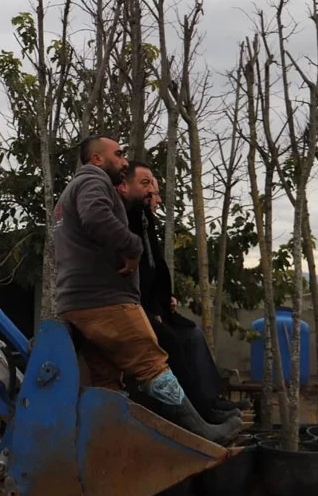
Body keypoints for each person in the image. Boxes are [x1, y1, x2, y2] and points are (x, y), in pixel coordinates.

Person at [53, 135, 241, 444]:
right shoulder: (92, 180)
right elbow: (96, 218)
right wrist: (133, 247)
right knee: (152, 362)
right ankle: (203, 434)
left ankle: (108, 447)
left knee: (107, 382)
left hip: (78, 304)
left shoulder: (69, 193)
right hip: (105, 301)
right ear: (97, 159)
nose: (124, 161)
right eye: (118, 154)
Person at [117, 162, 248, 425]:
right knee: (173, 342)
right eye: (146, 184)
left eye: (153, 185)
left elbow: (155, 270)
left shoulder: (145, 221)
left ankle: (211, 399)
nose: (152, 192)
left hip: (156, 307)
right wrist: (152, 311)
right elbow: (132, 275)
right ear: (124, 186)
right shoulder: (121, 218)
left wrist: (166, 300)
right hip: (132, 309)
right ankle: (199, 412)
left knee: (194, 334)